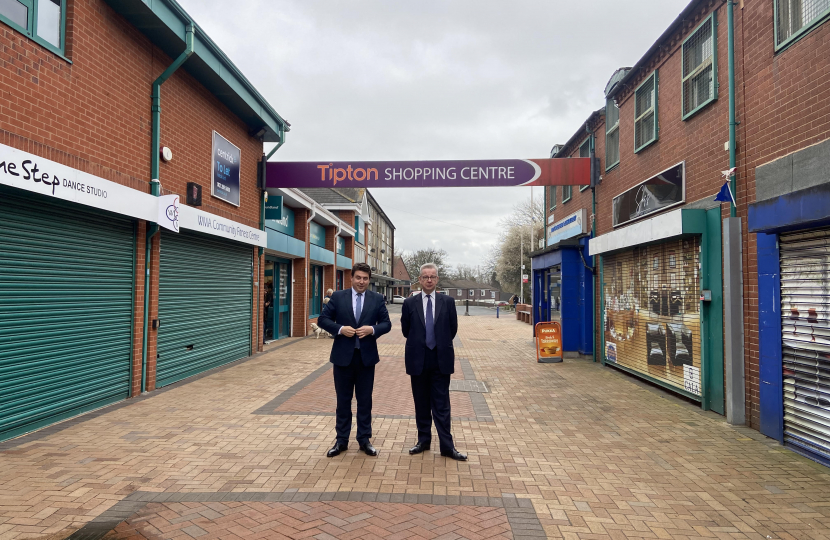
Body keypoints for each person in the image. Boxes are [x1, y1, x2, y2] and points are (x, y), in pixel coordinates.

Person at [317, 263, 391, 458]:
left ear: (369, 280)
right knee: (343, 401)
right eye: (358, 278)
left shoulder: (376, 299)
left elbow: (386, 323)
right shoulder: (338, 297)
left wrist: (372, 330)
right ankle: (341, 441)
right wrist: (340, 329)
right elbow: (322, 319)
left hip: (366, 359)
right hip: (343, 358)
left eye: (365, 278)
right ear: (351, 278)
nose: (361, 282)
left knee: (365, 401)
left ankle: (364, 440)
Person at [400, 263, 467, 461]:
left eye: (432, 277)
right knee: (421, 403)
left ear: (437, 279)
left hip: (440, 360)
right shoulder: (409, 303)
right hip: (417, 359)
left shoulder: (448, 302)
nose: (429, 280)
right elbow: (406, 330)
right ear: (419, 280)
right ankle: (423, 441)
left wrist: (438, 343)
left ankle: (447, 446)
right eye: (425, 277)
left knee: (441, 405)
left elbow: (452, 329)